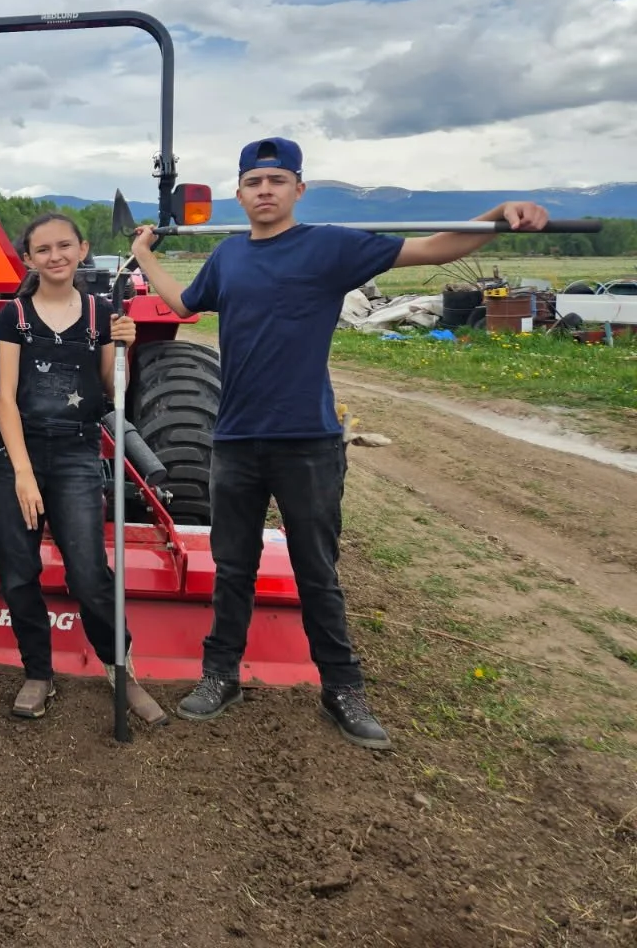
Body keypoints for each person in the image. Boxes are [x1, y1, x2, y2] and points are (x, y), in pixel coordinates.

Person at [132, 136, 549, 750]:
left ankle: (342, 688)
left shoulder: (330, 246)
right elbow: (185, 304)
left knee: (316, 570)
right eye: (253, 182)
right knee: (233, 567)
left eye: (276, 181)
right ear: (239, 193)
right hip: (237, 439)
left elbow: (435, 250)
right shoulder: (228, 257)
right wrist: (144, 255)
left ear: (298, 189)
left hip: (308, 440)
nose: (264, 191)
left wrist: (495, 215)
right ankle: (221, 674)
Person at [0, 212, 167, 725]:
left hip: (75, 454)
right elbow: (4, 399)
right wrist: (20, 472)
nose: (55, 256)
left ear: (82, 249)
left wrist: (123, 348)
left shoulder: (100, 313)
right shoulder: (14, 318)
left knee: (89, 572)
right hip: (14, 455)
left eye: (64, 246)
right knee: (19, 572)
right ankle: (38, 673)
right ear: (29, 259)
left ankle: (120, 670)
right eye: (43, 249)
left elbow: (112, 392)